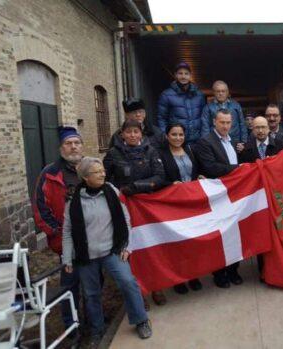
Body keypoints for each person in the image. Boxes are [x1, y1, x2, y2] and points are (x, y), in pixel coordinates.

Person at [62, 157, 152, 346]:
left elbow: (125, 219)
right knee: (91, 294)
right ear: (86, 177)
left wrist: (127, 246)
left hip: (112, 250)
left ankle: (141, 320)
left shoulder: (111, 191)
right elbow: (68, 231)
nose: (103, 174)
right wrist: (67, 258)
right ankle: (97, 330)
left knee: (128, 282)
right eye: (97, 172)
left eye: (102, 170)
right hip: (85, 256)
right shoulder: (73, 201)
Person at [103, 119, 167, 305]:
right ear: (122, 134)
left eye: (136, 132)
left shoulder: (151, 151)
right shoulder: (113, 154)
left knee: (151, 247)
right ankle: (138, 292)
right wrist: (120, 191)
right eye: (128, 132)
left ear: (141, 134)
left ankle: (157, 287)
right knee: (132, 249)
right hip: (125, 208)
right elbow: (104, 179)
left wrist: (137, 186)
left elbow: (160, 177)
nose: (132, 135)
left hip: (147, 208)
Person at [33, 126, 84, 331]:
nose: (73, 147)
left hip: (93, 238)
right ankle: (71, 324)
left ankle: (94, 319)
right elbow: (40, 206)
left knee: (94, 281)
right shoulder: (50, 173)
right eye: (68, 144)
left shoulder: (90, 167)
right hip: (66, 240)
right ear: (61, 148)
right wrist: (56, 231)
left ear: (82, 145)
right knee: (70, 283)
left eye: (76, 143)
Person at [195, 109, 242, 288]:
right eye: (222, 122)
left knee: (234, 232)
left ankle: (233, 270)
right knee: (219, 236)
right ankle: (219, 274)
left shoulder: (233, 141)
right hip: (217, 197)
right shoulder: (205, 142)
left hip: (233, 195)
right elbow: (211, 167)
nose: (225, 126)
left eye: (228, 123)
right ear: (215, 122)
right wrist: (238, 168)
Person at [238, 116, 283, 279]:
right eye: (257, 127)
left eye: (263, 127)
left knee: (279, 232)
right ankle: (263, 272)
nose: (260, 130)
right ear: (252, 130)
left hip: (276, 196)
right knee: (261, 233)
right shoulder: (244, 150)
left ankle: (279, 268)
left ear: (268, 129)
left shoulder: (279, 146)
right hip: (256, 199)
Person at [158, 123, 203, 294]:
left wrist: (199, 176)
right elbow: (159, 177)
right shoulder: (161, 154)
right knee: (177, 242)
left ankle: (193, 276)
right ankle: (179, 279)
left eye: (180, 134)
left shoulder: (191, 150)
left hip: (191, 202)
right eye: (174, 134)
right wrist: (170, 184)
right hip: (174, 204)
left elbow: (196, 170)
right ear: (167, 136)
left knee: (192, 241)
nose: (178, 138)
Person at [156, 62, 206, 146]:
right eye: (180, 73)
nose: (183, 76)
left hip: (197, 141)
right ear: (175, 75)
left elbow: (204, 117)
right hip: (177, 141)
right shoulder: (166, 95)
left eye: (186, 74)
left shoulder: (199, 95)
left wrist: (203, 137)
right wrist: (165, 135)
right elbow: (161, 118)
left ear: (190, 75)